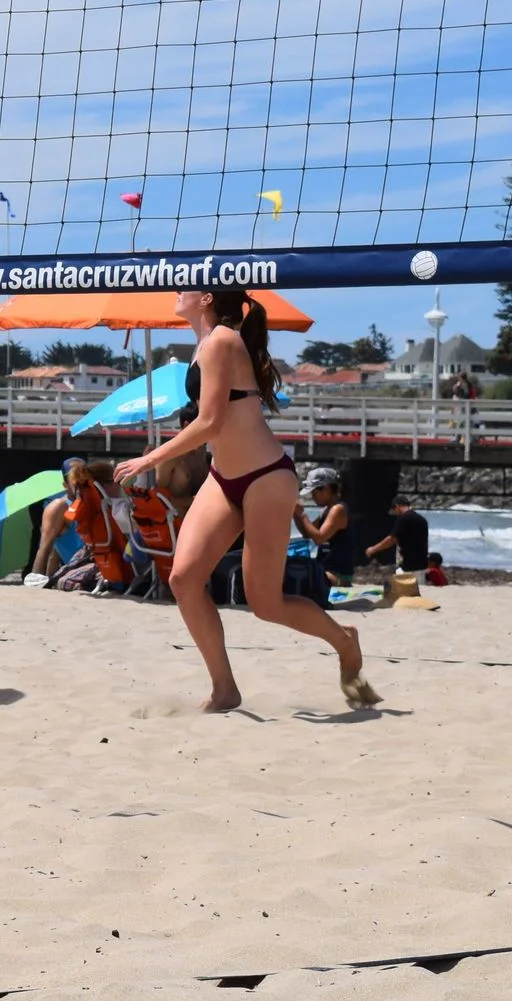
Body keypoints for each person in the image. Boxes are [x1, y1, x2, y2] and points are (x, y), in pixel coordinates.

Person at [115, 290, 376, 711]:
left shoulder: (222, 339)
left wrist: (151, 457)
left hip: (266, 479)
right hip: (224, 478)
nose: (177, 293)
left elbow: (211, 420)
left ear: (206, 298)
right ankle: (224, 689)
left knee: (265, 604)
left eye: (186, 288)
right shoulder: (203, 344)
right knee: (183, 579)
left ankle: (345, 642)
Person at [293, 466, 347, 588]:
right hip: (325, 568)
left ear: (326, 489)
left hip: (337, 574)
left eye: (314, 493)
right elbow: (308, 534)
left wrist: (302, 515)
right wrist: (296, 515)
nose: (313, 497)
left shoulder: (338, 509)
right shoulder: (326, 510)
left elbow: (319, 538)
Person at [367, 493, 429, 574]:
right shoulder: (422, 520)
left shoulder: (403, 518)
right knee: (419, 586)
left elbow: (392, 539)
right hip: (422, 565)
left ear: (397, 506)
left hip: (408, 566)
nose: (395, 513)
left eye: (394, 510)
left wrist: (373, 549)